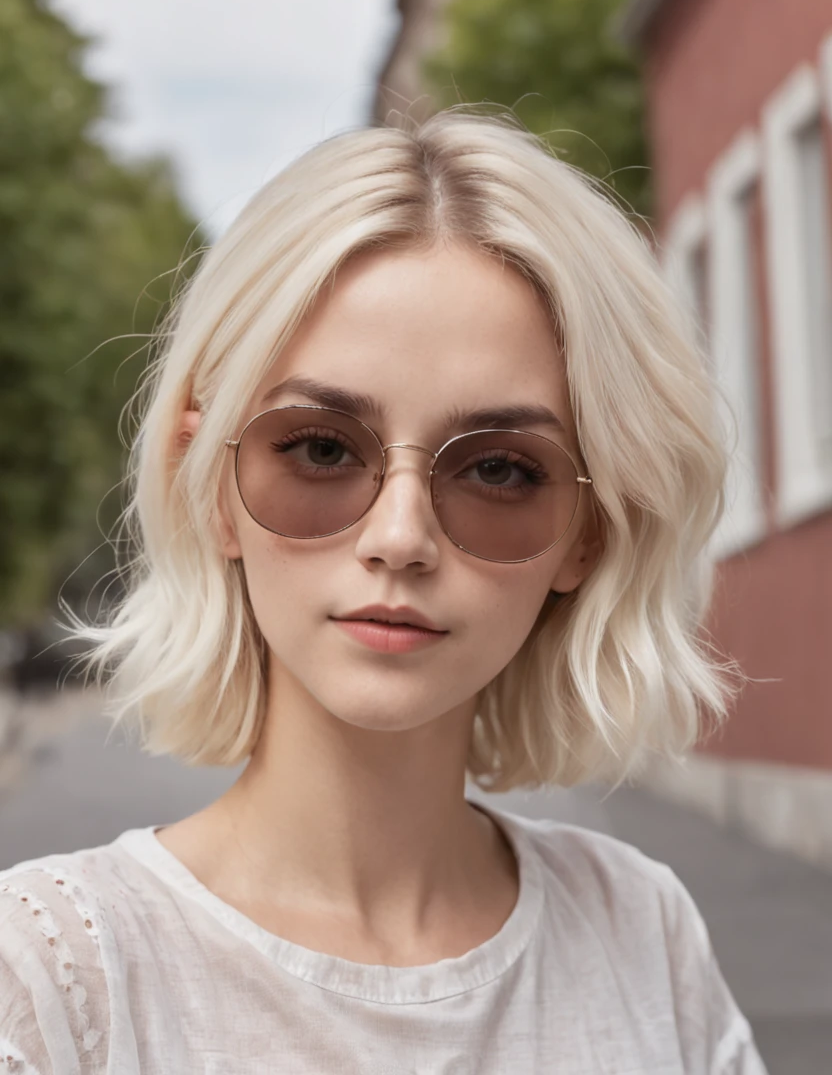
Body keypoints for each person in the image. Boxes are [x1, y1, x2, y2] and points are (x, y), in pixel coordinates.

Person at [0, 110, 768, 1073]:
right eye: (321, 449)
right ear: (212, 491)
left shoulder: (641, 932)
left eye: (498, 470)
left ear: (590, 532)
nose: (400, 539)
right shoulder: (55, 982)